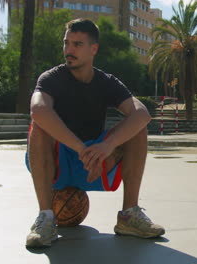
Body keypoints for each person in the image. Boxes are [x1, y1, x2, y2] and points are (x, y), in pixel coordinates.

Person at [25, 18, 165, 248]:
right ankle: (45, 219)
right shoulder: (52, 78)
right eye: (66, 43)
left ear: (94, 49)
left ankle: (129, 215)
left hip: (94, 162)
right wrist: (81, 149)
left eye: (77, 44)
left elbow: (142, 114)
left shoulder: (106, 82)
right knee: (39, 125)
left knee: (137, 130)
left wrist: (106, 146)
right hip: (56, 162)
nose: (69, 50)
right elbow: (38, 109)